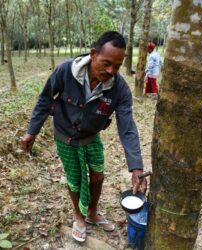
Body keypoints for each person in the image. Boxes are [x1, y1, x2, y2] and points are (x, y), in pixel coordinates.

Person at [20, 31, 147, 243]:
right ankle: (78, 216)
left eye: (117, 66)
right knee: (75, 179)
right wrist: (32, 131)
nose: (111, 71)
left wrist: (136, 167)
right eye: (106, 63)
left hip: (91, 135)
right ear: (93, 53)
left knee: (98, 176)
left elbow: (127, 128)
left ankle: (92, 212)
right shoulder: (65, 71)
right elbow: (45, 99)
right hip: (65, 135)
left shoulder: (120, 89)